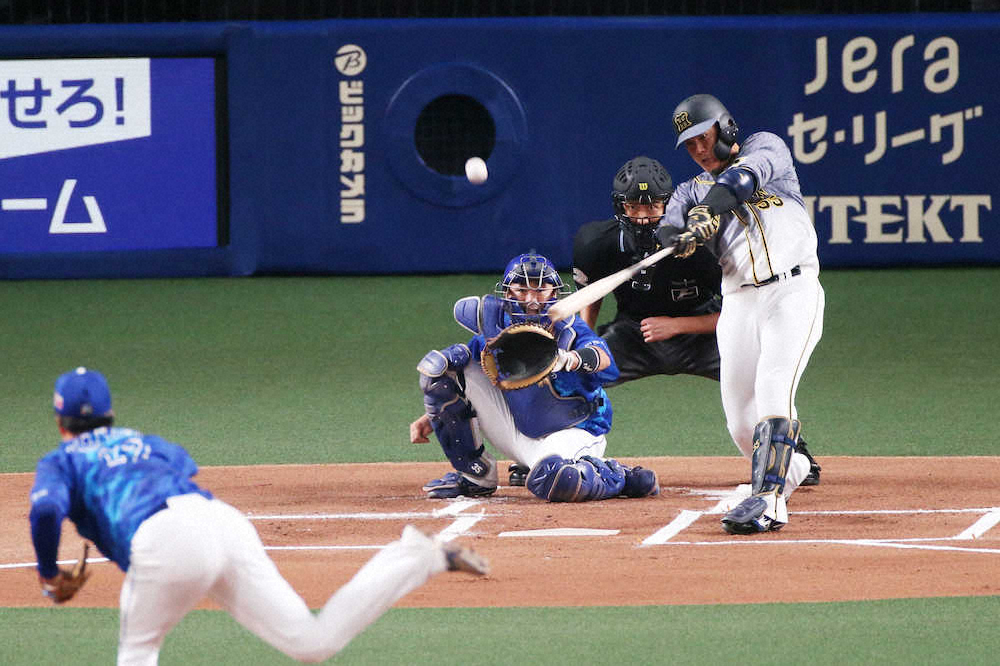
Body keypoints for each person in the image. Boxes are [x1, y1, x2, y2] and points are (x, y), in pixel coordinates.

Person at [29, 367, 488, 665]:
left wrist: (49, 574)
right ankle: (417, 557)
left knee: (137, 652)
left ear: (59, 421)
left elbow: (46, 509)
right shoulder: (146, 443)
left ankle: (417, 557)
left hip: (165, 542)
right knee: (312, 644)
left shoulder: (61, 460)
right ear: (109, 413)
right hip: (220, 521)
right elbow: (180, 469)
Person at [509, 155, 820, 488]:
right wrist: (584, 346)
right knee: (567, 375)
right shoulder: (595, 243)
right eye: (634, 207)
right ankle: (542, 455)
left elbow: (737, 312)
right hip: (633, 337)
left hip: (702, 333)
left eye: (653, 207)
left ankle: (792, 453)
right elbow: (592, 300)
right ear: (619, 207)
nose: (643, 217)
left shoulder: (704, 249)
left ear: (669, 204)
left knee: (760, 380)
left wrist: (677, 325)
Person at [658, 94, 826, 534]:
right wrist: (681, 237)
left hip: (792, 291)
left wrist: (708, 213)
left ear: (725, 128)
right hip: (737, 301)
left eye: (702, 136)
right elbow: (667, 228)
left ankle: (770, 503)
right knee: (739, 421)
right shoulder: (687, 191)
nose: (696, 149)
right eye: (688, 144)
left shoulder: (765, 147)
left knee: (774, 390)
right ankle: (794, 467)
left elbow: (740, 182)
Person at [409, 252, 659, 503]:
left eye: (540, 290)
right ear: (507, 292)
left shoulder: (569, 330)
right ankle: (475, 477)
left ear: (553, 293)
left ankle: (619, 476)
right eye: (521, 289)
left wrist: (567, 359)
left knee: (557, 480)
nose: (531, 300)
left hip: (572, 431)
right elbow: (463, 374)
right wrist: (440, 409)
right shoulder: (497, 327)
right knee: (440, 368)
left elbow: (604, 360)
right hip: (516, 427)